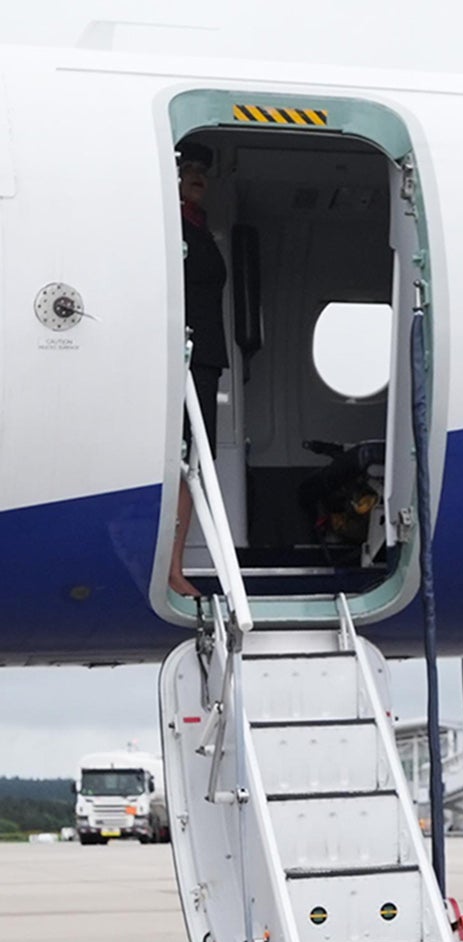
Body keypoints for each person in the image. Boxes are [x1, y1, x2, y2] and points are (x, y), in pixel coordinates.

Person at [171, 139, 230, 599]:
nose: (198, 175)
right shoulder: (170, 228)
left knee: (192, 461)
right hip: (182, 358)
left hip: (205, 358)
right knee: (179, 461)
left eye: (202, 168)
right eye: (188, 166)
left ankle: (174, 564)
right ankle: (171, 568)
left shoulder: (200, 228)